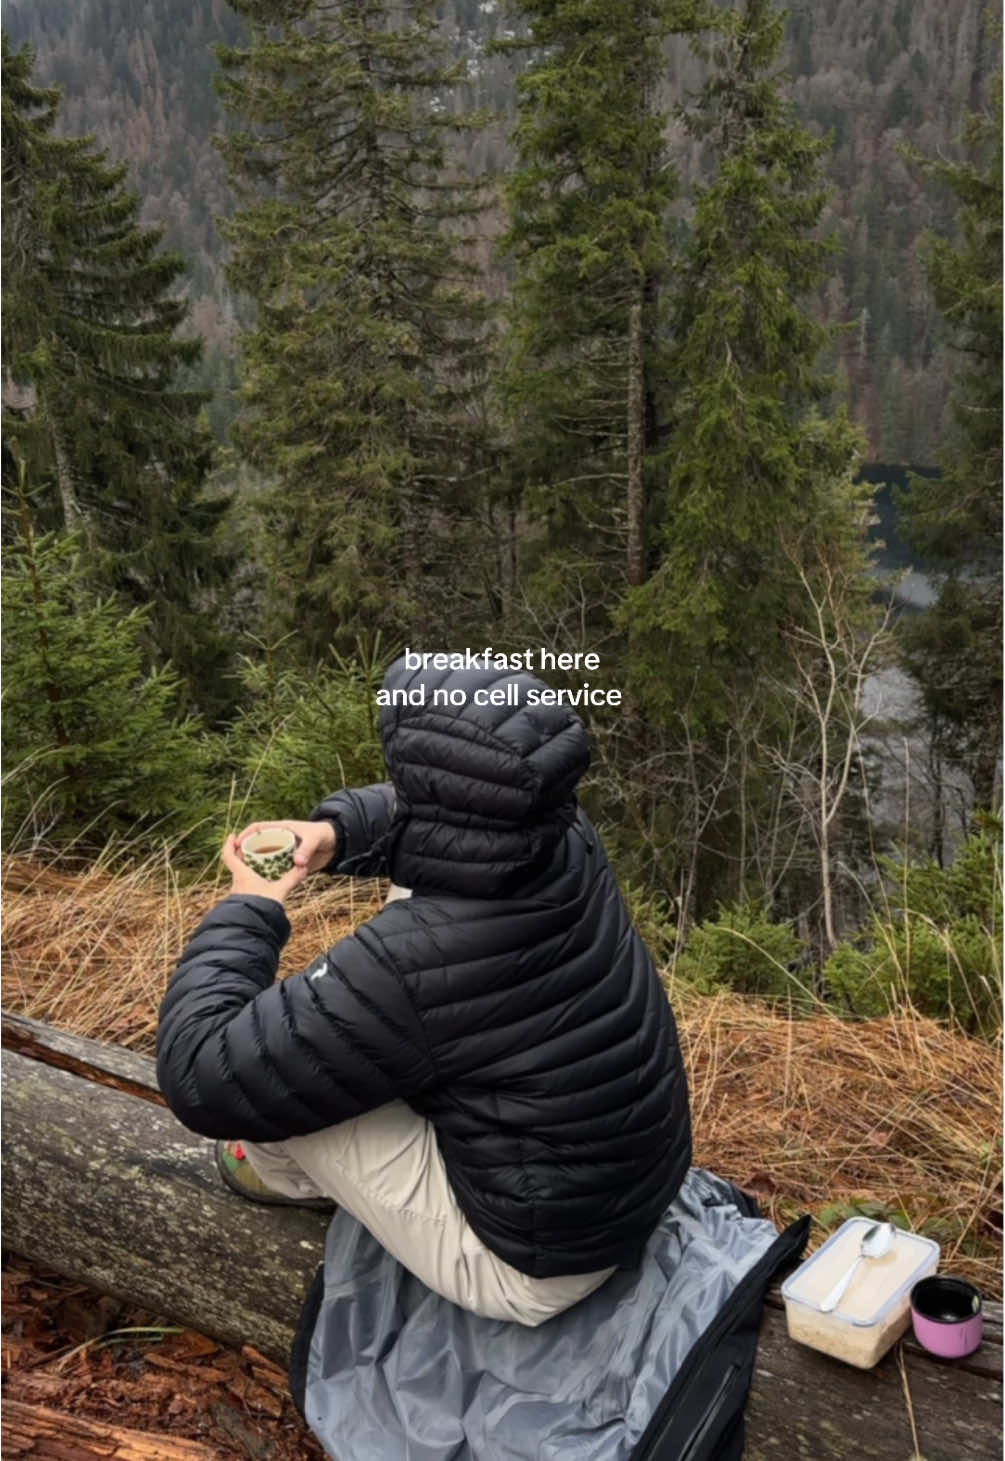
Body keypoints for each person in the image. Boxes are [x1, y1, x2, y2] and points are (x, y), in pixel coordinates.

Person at [156, 656, 691, 1327]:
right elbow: (446, 815)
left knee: (278, 1089)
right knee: (346, 1044)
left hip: (528, 1262)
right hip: (620, 1183)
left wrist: (251, 904)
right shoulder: (560, 832)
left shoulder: (418, 959)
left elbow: (201, 1071)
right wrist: (335, 833)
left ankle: (284, 1177)